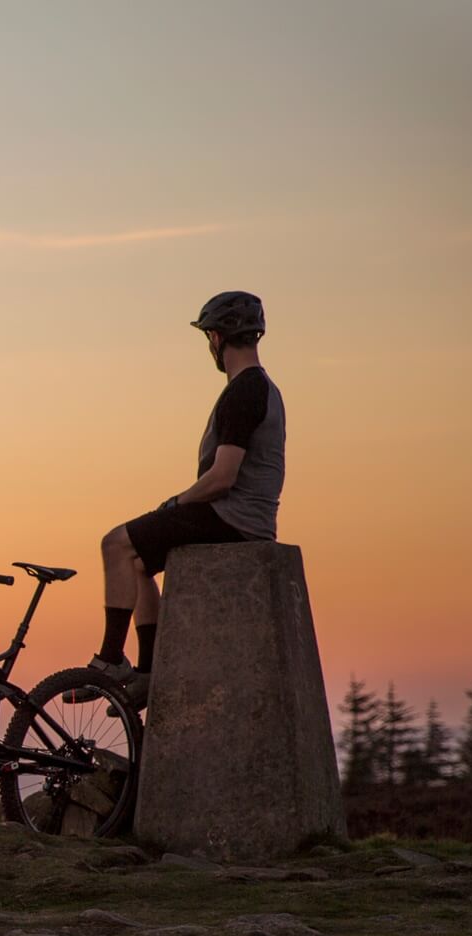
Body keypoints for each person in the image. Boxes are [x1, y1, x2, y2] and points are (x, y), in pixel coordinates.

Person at [78, 290, 285, 709]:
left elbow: (223, 477)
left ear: (216, 337)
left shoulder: (243, 391)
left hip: (232, 518)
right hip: (246, 518)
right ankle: (149, 672)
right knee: (136, 564)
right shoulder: (262, 388)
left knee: (116, 543)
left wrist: (176, 503)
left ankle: (109, 660)